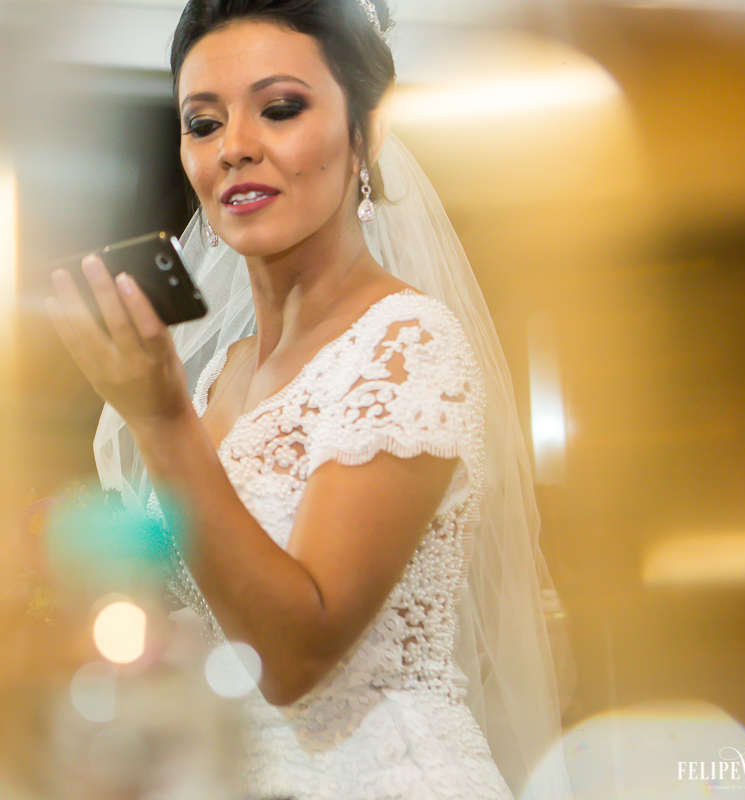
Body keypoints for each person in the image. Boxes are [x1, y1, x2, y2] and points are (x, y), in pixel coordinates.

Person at [46, 0, 571, 797]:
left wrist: (160, 418)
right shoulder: (217, 367)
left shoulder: (406, 347)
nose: (236, 150)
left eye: (280, 109)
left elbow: (295, 659)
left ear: (367, 132)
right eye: (203, 122)